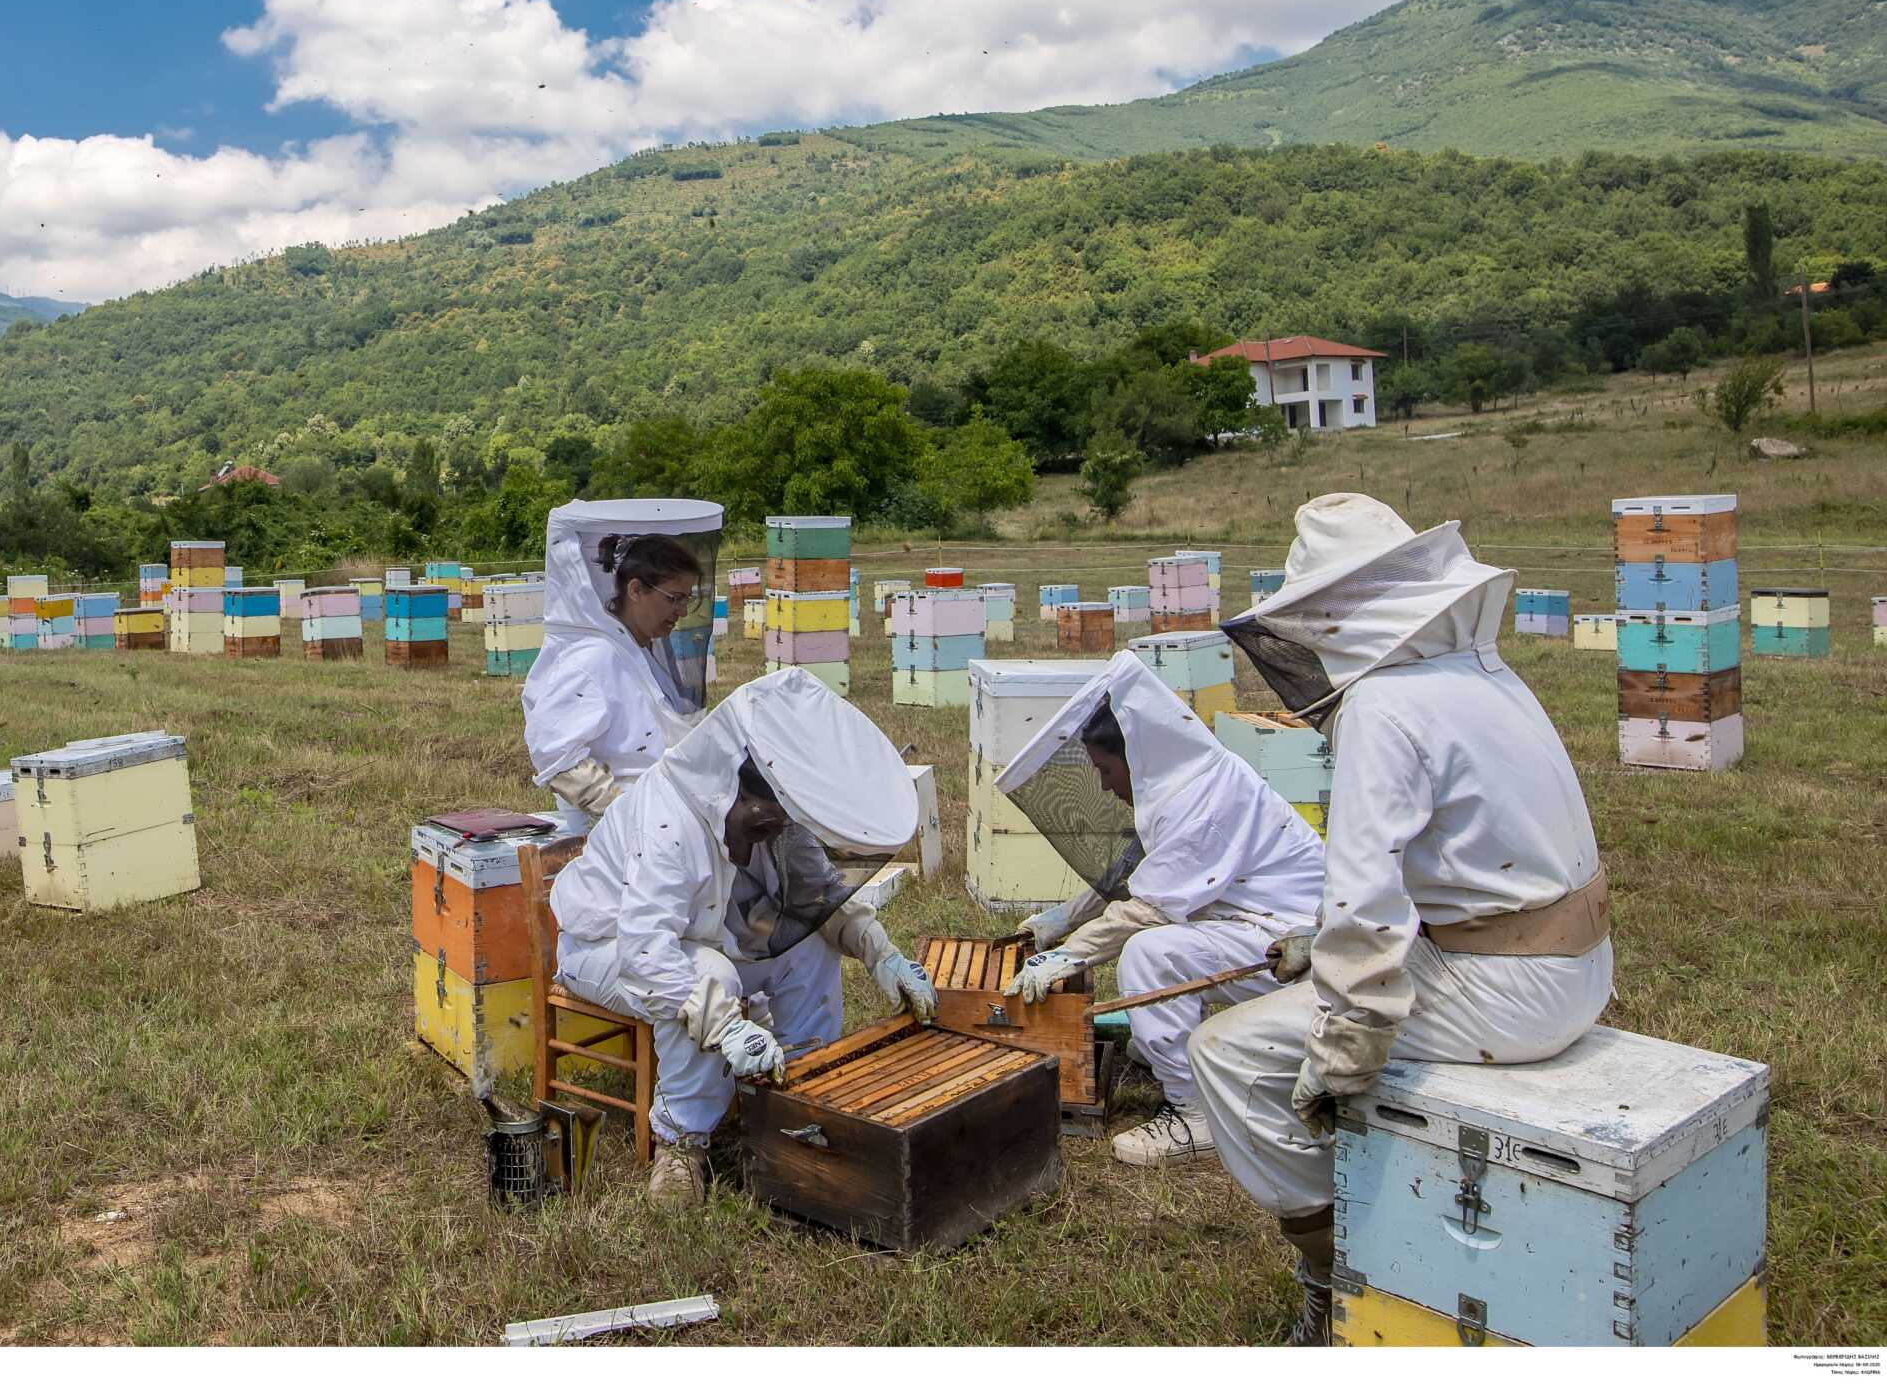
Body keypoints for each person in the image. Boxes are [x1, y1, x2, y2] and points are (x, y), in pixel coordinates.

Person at [1187, 494, 1613, 1344]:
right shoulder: (1483, 675)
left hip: (1506, 993)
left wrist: (1347, 1040)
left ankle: (1338, 1275)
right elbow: (1467, 862)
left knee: (1225, 1053)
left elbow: (1366, 900)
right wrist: (1321, 946)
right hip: (1580, 971)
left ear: (1334, 613)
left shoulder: (1384, 707)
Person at [549, 666, 940, 1203]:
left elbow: (816, 898)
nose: (773, 828)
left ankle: (800, 1096)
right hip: (604, 948)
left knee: (807, 947)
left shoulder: (777, 818)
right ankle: (681, 1144)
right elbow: (647, 956)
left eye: (781, 818)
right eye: (763, 817)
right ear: (730, 787)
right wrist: (727, 1027)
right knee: (709, 975)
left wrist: (882, 954)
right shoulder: (668, 823)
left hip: (704, 940)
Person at [997, 654, 1325, 1167]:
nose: (1104, 786)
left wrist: (1069, 956)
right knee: (1155, 947)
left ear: (1138, 756)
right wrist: (1061, 919)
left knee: (1150, 954)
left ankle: (1196, 1115)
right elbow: (1138, 875)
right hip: (1259, 924)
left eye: (1106, 770)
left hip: (1295, 950)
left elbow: (1147, 908)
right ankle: (1174, 1048)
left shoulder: (1204, 803)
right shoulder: (1184, 784)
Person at [521, 499, 722, 816]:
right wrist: (625, 813)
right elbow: (555, 755)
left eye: (688, 600)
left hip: (664, 816)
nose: (682, 612)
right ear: (636, 590)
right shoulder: (593, 658)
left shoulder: (639, 648)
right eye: (675, 599)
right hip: (614, 835)